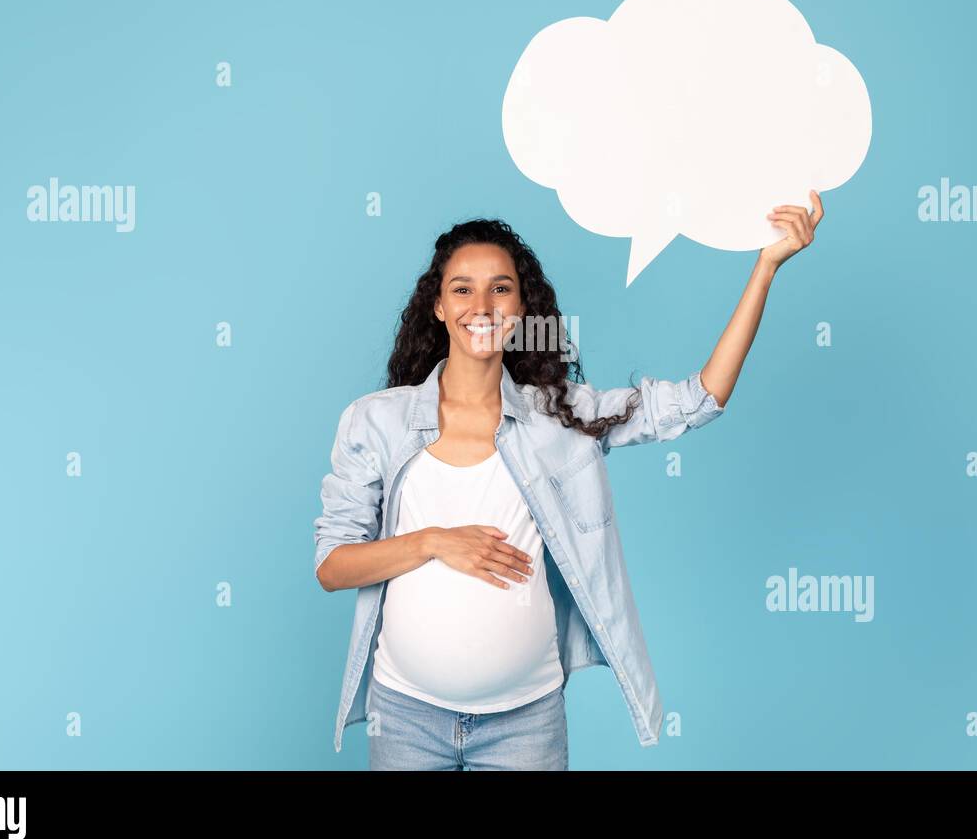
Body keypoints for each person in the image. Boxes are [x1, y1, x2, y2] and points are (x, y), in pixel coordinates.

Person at [314, 193, 825, 769]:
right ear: (437, 306)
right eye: (462, 288)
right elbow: (333, 566)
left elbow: (699, 399)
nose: (481, 304)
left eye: (500, 288)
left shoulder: (560, 417)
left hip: (525, 722)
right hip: (405, 715)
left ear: (522, 307)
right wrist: (434, 541)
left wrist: (765, 267)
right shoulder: (376, 421)